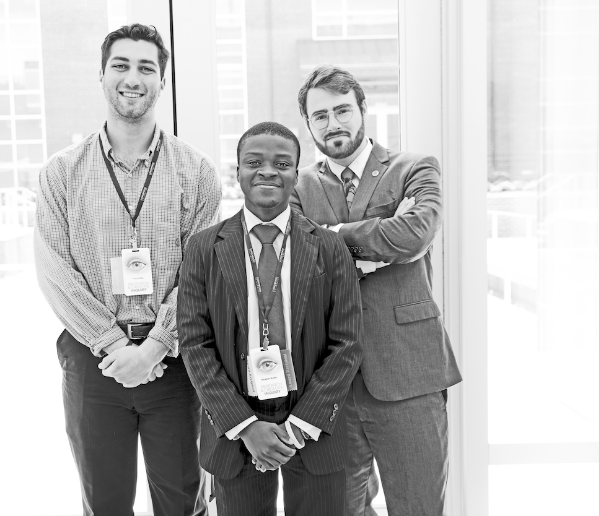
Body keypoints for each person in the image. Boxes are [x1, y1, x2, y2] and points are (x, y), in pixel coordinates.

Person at [34, 23, 221, 516]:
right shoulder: (61, 173)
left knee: (184, 502)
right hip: (94, 360)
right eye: (120, 65)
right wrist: (116, 346)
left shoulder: (197, 172)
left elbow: (201, 274)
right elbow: (55, 272)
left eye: (146, 68)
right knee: (104, 503)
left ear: (163, 81)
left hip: (175, 362)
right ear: (101, 76)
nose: (133, 78)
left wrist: (155, 345)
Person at [290, 65, 463, 516]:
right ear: (308, 123)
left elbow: (415, 234)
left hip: (408, 371)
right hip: (330, 382)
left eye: (342, 110)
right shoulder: (297, 187)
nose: (333, 123)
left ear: (363, 109)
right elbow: (295, 261)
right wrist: (380, 241)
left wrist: (331, 236)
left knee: (419, 507)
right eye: (320, 115)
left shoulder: (415, 168)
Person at [178, 122, 362, 516]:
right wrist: (244, 426)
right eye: (254, 162)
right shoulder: (203, 247)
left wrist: (301, 424)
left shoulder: (330, 247)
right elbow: (194, 344)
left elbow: (347, 344)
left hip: (313, 422)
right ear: (238, 172)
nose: (267, 171)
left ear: (296, 173)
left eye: (281, 163)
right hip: (235, 425)